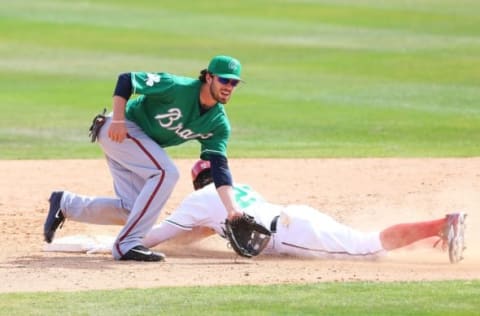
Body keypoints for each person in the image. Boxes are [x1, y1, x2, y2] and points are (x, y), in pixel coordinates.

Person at [43, 56, 245, 261]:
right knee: (166, 172)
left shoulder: (218, 123)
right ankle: (126, 245)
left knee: (133, 209)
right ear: (209, 77)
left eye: (234, 82)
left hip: (137, 144)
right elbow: (126, 80)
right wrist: (119, 120)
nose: (229, 86)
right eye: (224, 80)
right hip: (121, 129)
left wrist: (232, 210)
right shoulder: (177, 87)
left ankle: (65, 203)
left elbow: (219, 167)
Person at [142, 160, 467, 263]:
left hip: (292, 232)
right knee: (361, 242)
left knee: (367, 248)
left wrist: (120, 241)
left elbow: (156, 237)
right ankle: (433, 234)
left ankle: (442, 224)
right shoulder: (239, 190)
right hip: (296, 216)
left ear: (197, 181)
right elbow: (195, 235)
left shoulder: (200, 200)